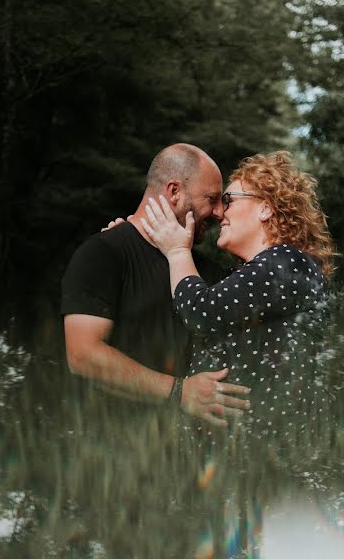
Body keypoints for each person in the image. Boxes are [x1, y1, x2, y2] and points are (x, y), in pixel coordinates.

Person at [140, 150, 336, 436]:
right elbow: (185, 294)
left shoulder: (286, 262)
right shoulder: (259, 274)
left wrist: (177, 250)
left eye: (229, 200)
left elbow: (199, 311)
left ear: (265, 208)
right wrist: (138, 249)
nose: (220, 213)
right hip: (238, 454)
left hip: (267, 455)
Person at [61, 143, 250, 425]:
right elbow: (83, 355)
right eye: (211, 199)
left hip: (189, 454)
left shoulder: (205, 270)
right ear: (174, 191)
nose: (219, 212)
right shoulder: (104, 253)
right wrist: (180, 392)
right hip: (114, 452)